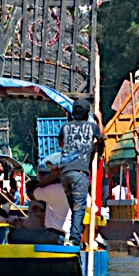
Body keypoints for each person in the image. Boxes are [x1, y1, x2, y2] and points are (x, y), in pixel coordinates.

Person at [56, 100, 103, 247]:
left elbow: (61, 144)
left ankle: (72, 236)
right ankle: (75, 240)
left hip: (64, 172)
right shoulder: (92, 127)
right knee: (78, 208)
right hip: (79, 173)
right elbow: (102, 138)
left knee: (73, 207)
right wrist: (99, 119)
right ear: (88, 113)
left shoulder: (65, 127)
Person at [30, 162, 74, 243]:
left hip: (54, 235)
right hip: (71, 236)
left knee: (14, 235)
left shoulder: (53, 190)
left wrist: (48, 179)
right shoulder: (79, 189)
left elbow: (32, 193)